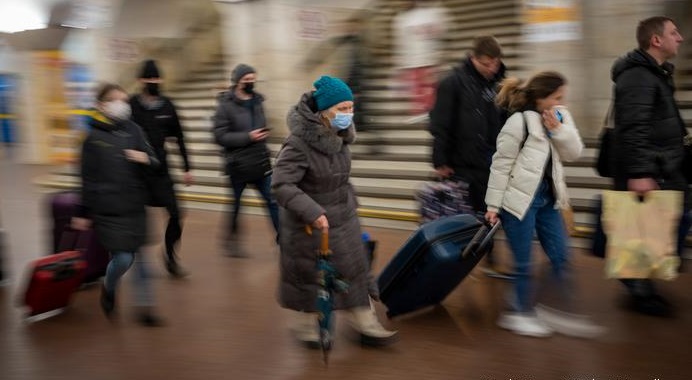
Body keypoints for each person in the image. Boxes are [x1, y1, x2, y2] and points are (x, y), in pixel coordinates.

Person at [271, 75, 398, 347]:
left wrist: (351, 203)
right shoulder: (297, 144)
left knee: (355, 269)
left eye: (351, 108)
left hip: (344, 217)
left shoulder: (340, 139)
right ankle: (305, 326)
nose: (348, 114)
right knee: (311, 277)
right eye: (342, 109)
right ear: (323, 112)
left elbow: (340, 177)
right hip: (311, 224)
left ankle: (365, 323)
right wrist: (313, 211)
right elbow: (282, 184)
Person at [485, 71, 601, 338]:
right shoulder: (518, 122)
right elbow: (500, 166)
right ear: (541, 98)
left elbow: (574, 153)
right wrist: (493, 205)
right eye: (558, 97)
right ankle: (518, 314)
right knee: (524, 262)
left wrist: (558, 130)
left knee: (561, 255)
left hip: (549, 199)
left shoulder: (560, 117)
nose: (563, 103)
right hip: (518, 202)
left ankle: (559, 309)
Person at [610, 16, 688, 317]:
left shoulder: (654, 73)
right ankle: (640, 292)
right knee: (642, 228)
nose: (679, 38)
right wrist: (640, 172)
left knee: (652, 227)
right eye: (674, 32)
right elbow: (633, 127)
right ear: (656, 40)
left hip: (664, 165)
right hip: (650, 167)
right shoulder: (639, 77)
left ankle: (640, 286)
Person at [72, 83, 163, 326]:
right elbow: (86, 177)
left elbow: (154, 161)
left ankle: (146, 310)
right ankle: (109, 285)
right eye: (115, 100)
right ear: (101, 105)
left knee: (142, 259)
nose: (122, 105)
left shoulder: (134, 130)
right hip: (108, 207)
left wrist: (144, 158)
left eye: (124, 100)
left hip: (134, 204)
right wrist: (83, 211)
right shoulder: (92, 138)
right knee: (123, 259)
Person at [429, 35, 510, 278]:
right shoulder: (452, 83)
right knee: (469, 214)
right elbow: (440, 123)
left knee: (490, 211)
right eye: (486, 64)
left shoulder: (500, 83)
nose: (491, 69)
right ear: (473, 58)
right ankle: (466, 260)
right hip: (462, 162)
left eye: (495, 63)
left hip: (492, 160)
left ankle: (487, 258)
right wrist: (440, 161)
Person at [129, 59, 193, 278]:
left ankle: (170, 257)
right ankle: (133, 261)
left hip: (161, 171)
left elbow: (179, 136)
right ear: (140, 80)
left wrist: (187, 166)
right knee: (136, 221)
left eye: (157, 78)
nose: (154, 82)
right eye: (149, 78)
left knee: (176, 214)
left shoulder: (167, 105)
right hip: (136, 173)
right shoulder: (131, 106)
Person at [212, 64, 280, 257]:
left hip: (260, 160)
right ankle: (231, 241)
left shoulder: (258, 101)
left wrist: (262, 136)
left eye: (253, 79)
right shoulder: (225, 105)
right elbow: (220, 136)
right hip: (238, 164)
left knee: (273, 200)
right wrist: (248, 137)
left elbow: (262, 126)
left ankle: (282, 239)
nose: (251, 82)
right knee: (236, 204)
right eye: (246, 80)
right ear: (237, 81)